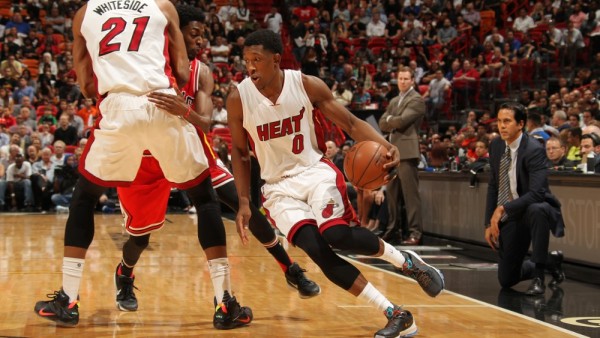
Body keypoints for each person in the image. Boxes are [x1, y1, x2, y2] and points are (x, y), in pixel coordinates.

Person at [34, 0, 241, 328]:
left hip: (118, 108)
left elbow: (88, 86)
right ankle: (226, 304)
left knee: (85, 198)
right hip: (164, 104)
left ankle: (68, 299)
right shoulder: (163, 6)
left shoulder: (83, 14)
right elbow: (184, 71)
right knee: (204, 200)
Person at [227, 30, 445, 338]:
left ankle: (407, 262)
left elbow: (352, 123)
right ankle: (396, 314)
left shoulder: (305, 85)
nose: (249, 67)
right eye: (246, 61)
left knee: (337, 234)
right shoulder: (239, 97)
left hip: (314, 171)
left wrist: (386, 145)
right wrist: (244, 202)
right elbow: (239, 151)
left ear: (275, 60)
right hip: (277, 188)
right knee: (318, 251)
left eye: (256, 60)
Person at [112, 6, 320, 320]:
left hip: (194, 152)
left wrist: (184, 112)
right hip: (150, 160)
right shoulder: (145, 65)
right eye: (194, 33)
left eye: (204, 34)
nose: (202, 40)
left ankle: (289, 268)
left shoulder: (201, 71)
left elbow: (207, 122)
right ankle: (125, 274)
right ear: (173, 32)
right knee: (140, 237)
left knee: (244, 207)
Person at [484, 102, 565, 296]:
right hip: (512, 212)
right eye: (499, 121)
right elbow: (493, 185)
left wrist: (503, 208)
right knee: (506, 279)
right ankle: (549, 262)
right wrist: (488, 223)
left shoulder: (534, 149)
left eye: (507, 121)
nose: (502, 126)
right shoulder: (495, 145)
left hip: (531, 207)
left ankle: (538, 278)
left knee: (538, 209)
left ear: (520, 124)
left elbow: (537, 193)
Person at [378, 66, 426, 246]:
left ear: (413, 80)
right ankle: (392, 231)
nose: (403, 81)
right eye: (400, 78)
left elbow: (402, 120)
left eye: (406, 79)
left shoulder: (417, 99)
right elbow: (382, 123)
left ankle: (415, 232)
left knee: (410, 195)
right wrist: (391, 120)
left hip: (407, 152)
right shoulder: (395, 100)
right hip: (392, 152)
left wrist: (391, 119)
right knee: (391, 194)